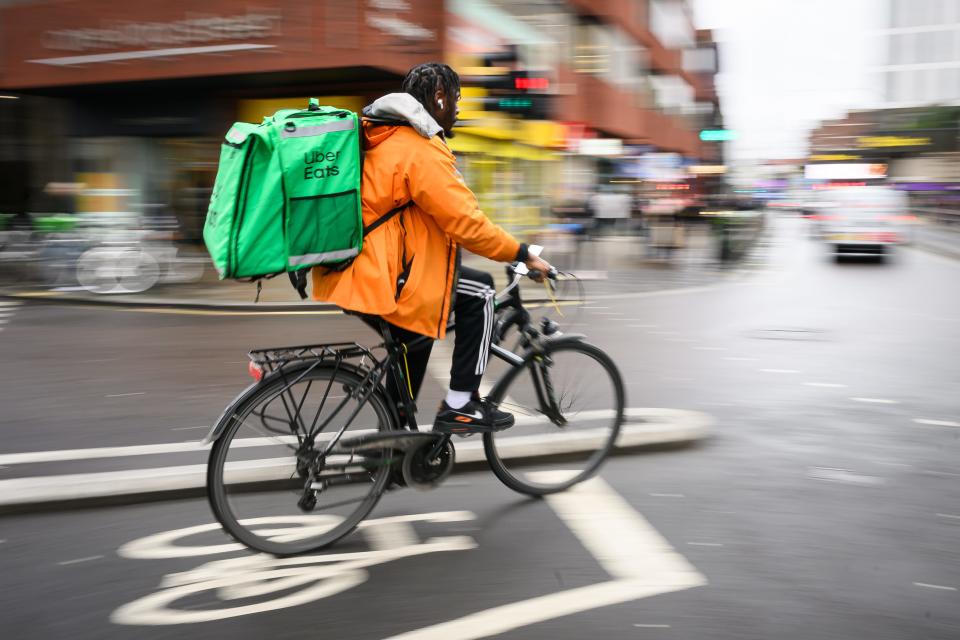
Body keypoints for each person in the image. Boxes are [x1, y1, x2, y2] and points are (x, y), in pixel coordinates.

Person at [311, 62, 552, 433]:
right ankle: (461, 406)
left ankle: (393, 441)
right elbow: (467, 223)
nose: (457, 110)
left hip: (355, 269)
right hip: (384, 275)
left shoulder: (381, 134)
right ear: (438, 99)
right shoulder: (420, 148)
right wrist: (521, 253)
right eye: (456, 100)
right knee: (482, 291)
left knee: (416, 339)